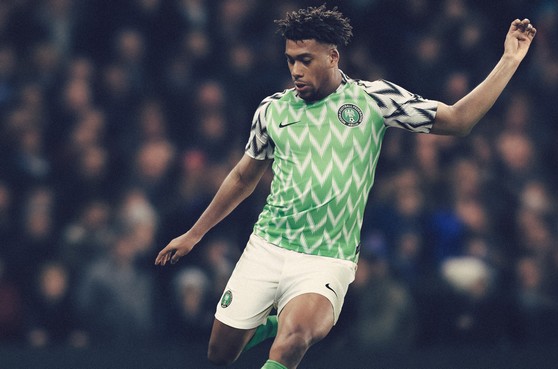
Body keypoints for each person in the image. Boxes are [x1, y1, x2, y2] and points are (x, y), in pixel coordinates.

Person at [155, 5, 536, 369]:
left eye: (306, 59)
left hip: (327, 258)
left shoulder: (373, 100)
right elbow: (243, 176)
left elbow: (458, 120)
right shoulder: (271, 110)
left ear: (333, 57)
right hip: (267, 247)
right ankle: (269, 323)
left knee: (296, 338)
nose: (296, 70)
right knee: (220, 354)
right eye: (290, 60)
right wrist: (194, 234)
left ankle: (283, 327)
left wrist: (509, 61)